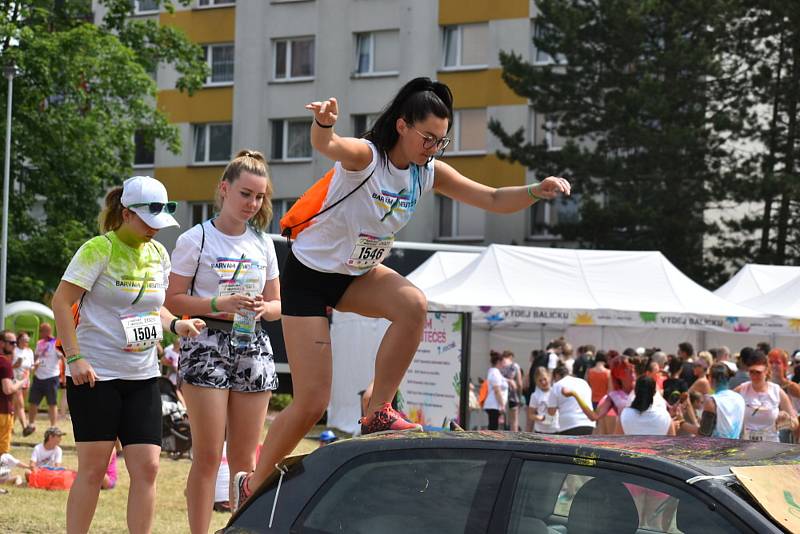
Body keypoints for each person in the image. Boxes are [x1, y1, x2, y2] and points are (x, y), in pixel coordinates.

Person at [232, 77, 572, 509]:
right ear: (401, 127)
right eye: (427, 138)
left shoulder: (426, 173)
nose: (433, 148)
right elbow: (329, 145)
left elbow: (489, 197)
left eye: (441, 141)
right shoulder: (367, 159)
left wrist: (534, 191)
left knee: (413, 303)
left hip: (356, 273)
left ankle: (377, 413)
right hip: (309, 274)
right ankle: (250, 486)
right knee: (311, 403)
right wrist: (322, 123)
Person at [51, 176, 205, 534]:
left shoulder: (158, 254)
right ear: (126, 214)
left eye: (159, 223)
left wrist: (176, 325)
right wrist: (74, 358)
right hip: (95, 376)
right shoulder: (97, 250)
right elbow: (61, 302)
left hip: (142, 375)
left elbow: (156, 310)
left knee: (148, 466)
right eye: (148, 222)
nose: (155, 230)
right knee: (92, 469)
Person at [165, 150, 281, 532]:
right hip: (206, 344)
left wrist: (264, 309)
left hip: (254, 344)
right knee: (208, 455)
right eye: (245, 194)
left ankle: (237, 528)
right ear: (224, 189)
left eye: (260, 196)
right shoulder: (195, 238)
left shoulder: (264, 243)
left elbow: (279, 304)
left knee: (246, 459)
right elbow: (172, 300)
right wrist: (219, 302)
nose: (253, 204)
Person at [735, 351, 798, 442]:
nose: (754, 376)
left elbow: (795, 424)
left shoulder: (777, 391)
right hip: (747, 447)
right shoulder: (742, 389)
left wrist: (786, 420)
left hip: (771, 447)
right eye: (751, 372)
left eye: (758, 372)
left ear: (766, 371)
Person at [683, 364, 745, 439]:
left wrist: (682, 423)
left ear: (711, 379)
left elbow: (703, 433)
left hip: (717, 448)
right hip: (736, 448)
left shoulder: (712, 401)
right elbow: (742, 430)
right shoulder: (739, 398)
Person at [28, 323, 60, 427]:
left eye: (47, 330)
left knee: (52, 403)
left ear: (50, 331)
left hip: (51, 377)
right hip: (38, 376)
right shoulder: (39, 343)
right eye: (43, 331)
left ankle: (53, 426)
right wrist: (35, 363)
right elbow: (36, 357)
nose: (45, 333)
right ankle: (31, 424)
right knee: (33, 402)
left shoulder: (55, 343)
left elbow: (61, 357)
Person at [549, 365, 595, 435]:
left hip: (569, 424)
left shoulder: (556, 385)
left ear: (556, 375)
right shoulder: (583, 382)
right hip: (589, 423)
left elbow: (551, 411)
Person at [0, 331, 25, 455]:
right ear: (1, 343)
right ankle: (3, 474)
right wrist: (20, 382)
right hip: (3, 412)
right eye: (11, 343)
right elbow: (8, 389)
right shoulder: (4, 362)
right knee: (3, 452)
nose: (15, 345)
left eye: (15, 342)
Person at [13, 332, 35, 436]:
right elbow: (9, 366)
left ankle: (10, 427)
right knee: (20, 405)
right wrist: (15, 365)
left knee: (17, 406)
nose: (26, 341)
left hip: (26, 380)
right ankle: (25, 427)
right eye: (24, 339)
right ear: (19, 340)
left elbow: (31, 366)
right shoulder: (14, 350)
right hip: (15, 380)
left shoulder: (29, 351)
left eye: (27, 340)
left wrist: (36, 365)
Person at [527, 367, 559, 433]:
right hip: (540, 430)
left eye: (545, 379)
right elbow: (530, 414)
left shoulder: (556, 391)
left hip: (555, 429)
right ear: (536, 382)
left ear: (549, 377)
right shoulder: (535, 395)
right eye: (540, 380)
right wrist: (539, 418)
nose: (543, 382)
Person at [484, 351, 509, 430]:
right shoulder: (495, 373)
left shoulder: (494, 372)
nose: (504, 364)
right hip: (494, 405)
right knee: (493, 428)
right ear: (499, 362)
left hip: (494, 405)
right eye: (503, 362)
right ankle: (490, 442)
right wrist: (502, 405)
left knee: (494, 427)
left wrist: (510, 381)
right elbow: (497, 390)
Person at [500, 351, 523, 431]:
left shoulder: (499, 365)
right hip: (513, 396)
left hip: (500, 396)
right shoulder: (515, 366)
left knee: (501, 420)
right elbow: (519, 383)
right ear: (510, 356)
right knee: (514, 421)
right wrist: (520, 396)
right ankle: (514, 440)